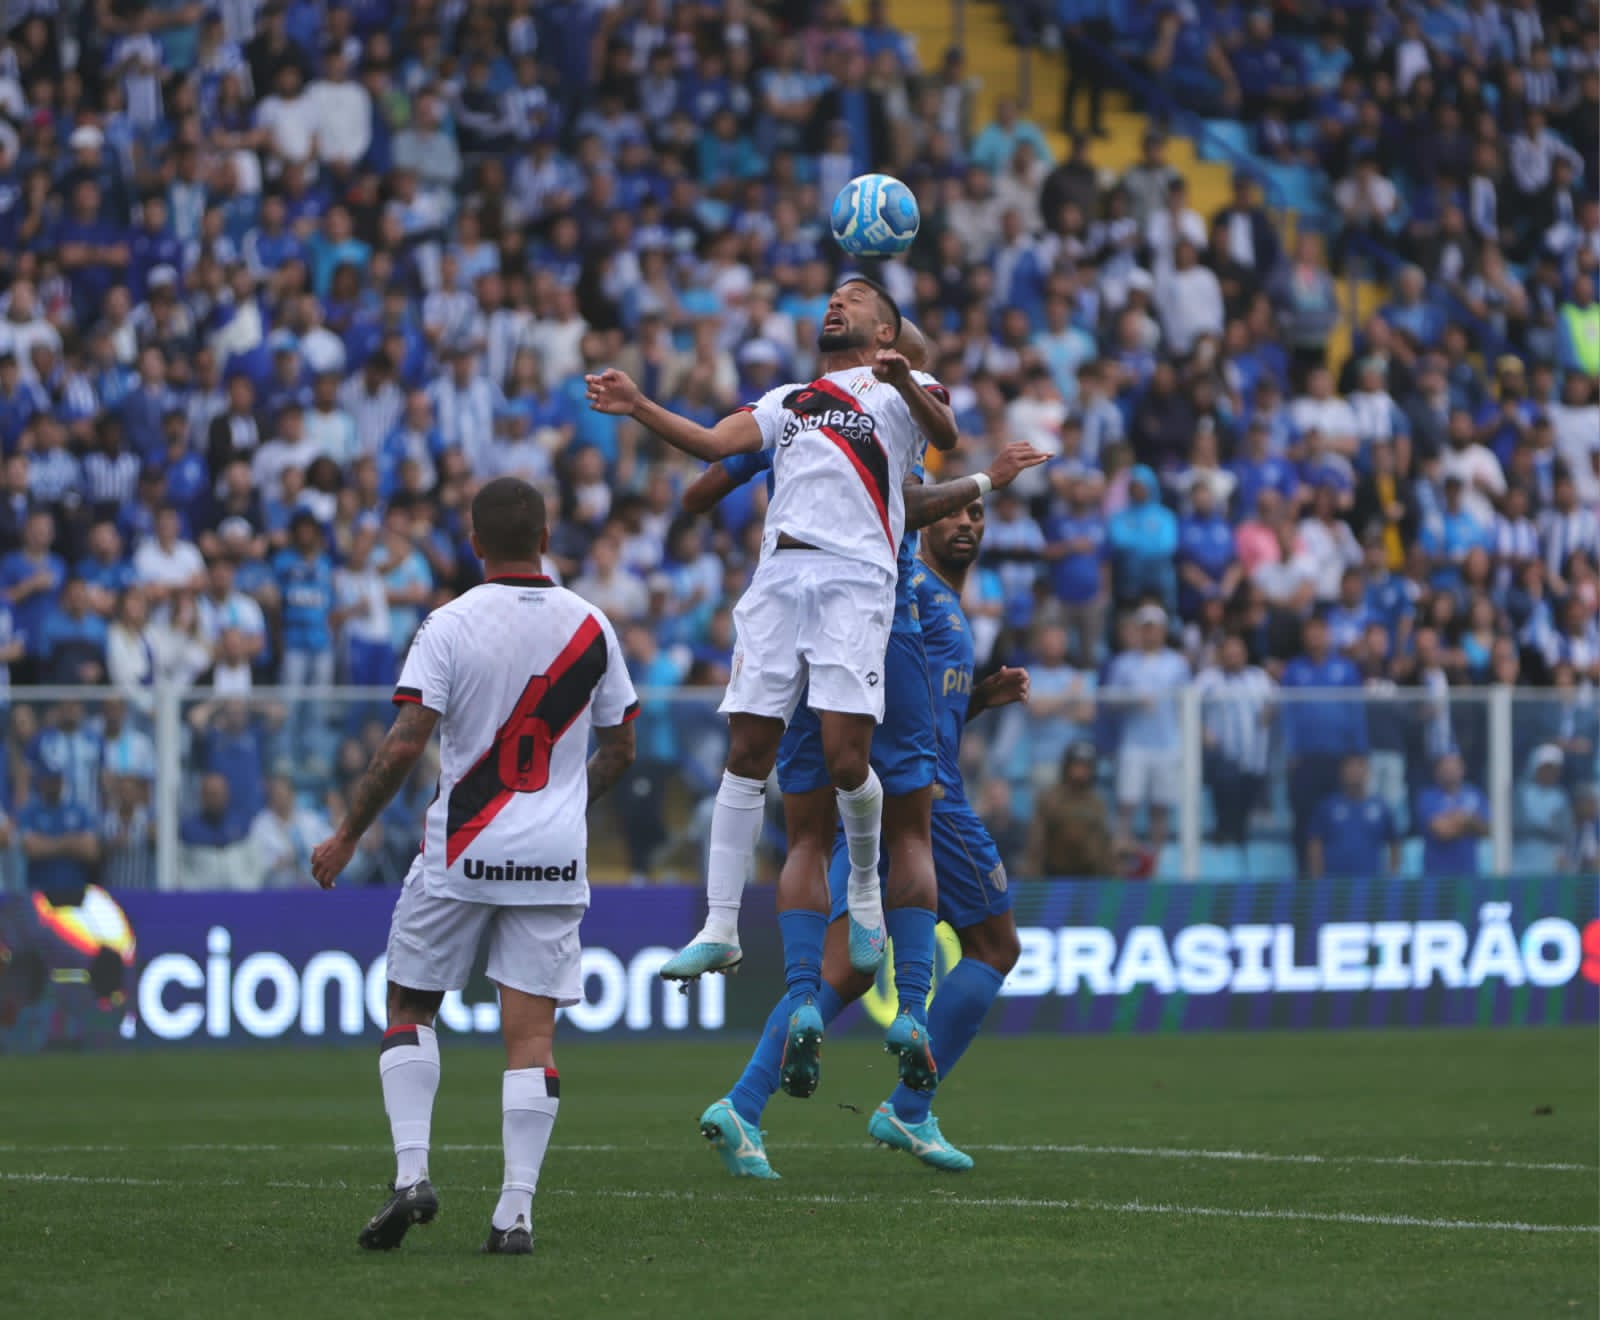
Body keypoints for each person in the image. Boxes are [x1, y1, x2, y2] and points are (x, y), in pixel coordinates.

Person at [585, 278, 958, 1099]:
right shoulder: (791, 398)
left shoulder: (904, 388)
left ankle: (862, 893)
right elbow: (718, 448)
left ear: (888, 327)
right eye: (832, 295)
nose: (836, 304)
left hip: (857, 580)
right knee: (746, 750)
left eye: (855, 297)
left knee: (845, 757)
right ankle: (720, 927)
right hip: (778, 577)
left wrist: (900, 380)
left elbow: (949, 434)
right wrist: (641, 404)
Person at [309, 477, 639, 1257]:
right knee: (531, 1042)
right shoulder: (592, 626)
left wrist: (350, 832)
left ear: (473, 538)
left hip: (461, 850)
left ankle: (412, 1173)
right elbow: (622, 746)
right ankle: (515, 1213)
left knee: (409, 1006)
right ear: (548, 531)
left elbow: (403, 743)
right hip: (553, 859)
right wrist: (560, 807)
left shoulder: (449, 623)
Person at [700, 496, 1027, 1177]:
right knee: (995, 946)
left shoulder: (933, 600)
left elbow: (915, 701)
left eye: (977, 514)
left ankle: (743, 1104)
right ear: (922, 521)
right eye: (953, 512)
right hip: (925, 801)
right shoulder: (912, 595)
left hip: (883, 795)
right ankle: (909, 1108)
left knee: (846, 969)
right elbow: (875, 696)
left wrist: (977, 701)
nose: (966, 521)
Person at [1105, 603, 1191, 853]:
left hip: (1167, 743)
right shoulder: (1123, 664)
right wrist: (1133, 699)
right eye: (1145, 628)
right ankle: (1121, 856)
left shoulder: (1177, 664)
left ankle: (1157, 859)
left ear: (1163, 631)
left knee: (1160, 806)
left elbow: (1186, 705)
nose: (1150, 633)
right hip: (1134, 743)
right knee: (1126, 802)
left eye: (1154, 628)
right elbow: (1109, 700)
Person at [1194, 634, 1276, 848]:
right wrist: (1202, 731)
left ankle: (1238, 838)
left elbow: (1276, 703)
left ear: (1245, 655)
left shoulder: (1258, 678)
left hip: (1254, 756)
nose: (1233, 657)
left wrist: (1269, 712)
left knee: (1247, 803)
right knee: (1227, 786)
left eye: (1237, 653)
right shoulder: (1208, 679)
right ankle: (1225, 833)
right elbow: (1187, 707)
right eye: (1228, 653)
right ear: (1221, 656)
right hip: (1222, 756)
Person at [1025, 740, 1118, 878]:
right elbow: (1036, 841)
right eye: (1077, 765)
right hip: (1054, 875)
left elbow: (1104, 843)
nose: (1081, 771)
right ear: (1067, 767)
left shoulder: (1097, 803)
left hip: (1089, 877)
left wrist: (1111, 876)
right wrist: (1033, 876)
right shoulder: (1050, 799)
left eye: (1086, 767)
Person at [1306, 755, 1400, 880]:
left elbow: (1394, 843)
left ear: (1368, 771)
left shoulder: (1381, 807)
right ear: (1341, 772)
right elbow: (1315, 843)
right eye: (1350, 766)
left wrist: (1391, 876)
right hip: (1333, 885)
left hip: (1370, 884)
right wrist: (1317, 878)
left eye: (1360, 766)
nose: (1355, 771)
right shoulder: (1327, 806)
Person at [19, 768, 99, 905]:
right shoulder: (30, 811)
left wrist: (47, 843)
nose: (53, 785)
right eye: (50, 781)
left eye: (57, 781)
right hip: (40, 893)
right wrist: (69, 842)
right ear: (42, 782)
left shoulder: (78, 809)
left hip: (76, 891)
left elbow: (91, 850)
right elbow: (31, 849)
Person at [1416, 752, 1491, 878]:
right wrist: (1468, 820)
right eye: (1446, 768)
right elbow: (1442, 832)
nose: (1450, 772)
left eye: (1454, 767)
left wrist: (1459, 819)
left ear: (1463, 769)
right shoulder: (1427, 797)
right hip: (1436, 876)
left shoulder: (1475, 794)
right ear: (1437, 771)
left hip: (1469, 874)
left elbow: (1487, 829)